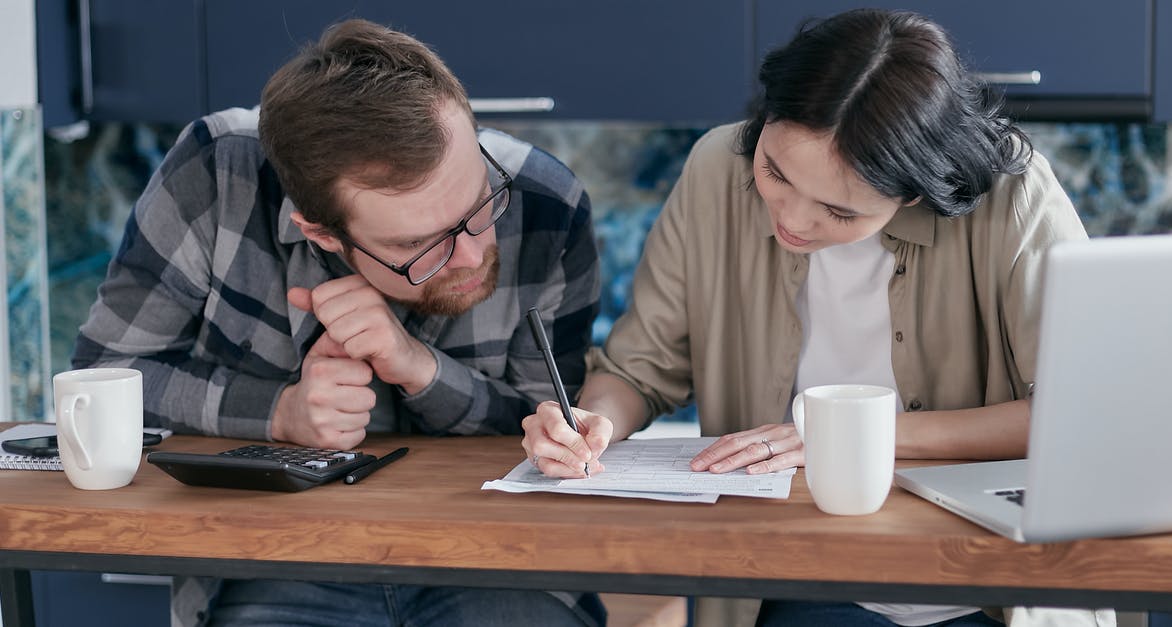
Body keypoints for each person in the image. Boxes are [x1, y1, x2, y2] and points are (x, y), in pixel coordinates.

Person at [521, 8, 1095, 627]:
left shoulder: (1015, 198)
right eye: (774, 173)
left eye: (838, 211)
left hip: (988, 579)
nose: (792, 221)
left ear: (913, 191)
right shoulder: (717, 167)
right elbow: (638, 371)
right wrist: (591, 423)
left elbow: (1085, 415)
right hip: (793, 570)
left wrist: (852, 438)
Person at [72, 18, 603, 627]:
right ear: (321, 233)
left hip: (504, 561)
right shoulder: (215, 175)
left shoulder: (546, 203)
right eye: (419, 244)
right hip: (275, 558)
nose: (473, 253)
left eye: (480, 206)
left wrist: (420, 370)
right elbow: (104, 379)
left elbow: (549, 436)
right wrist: (280, 413)